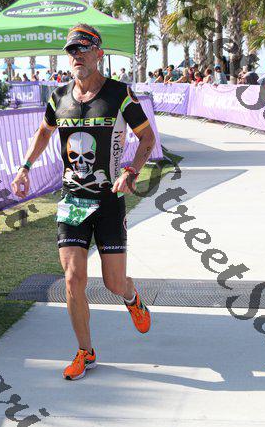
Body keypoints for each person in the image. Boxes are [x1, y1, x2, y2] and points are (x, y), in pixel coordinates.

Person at [11, 23, 156, 381]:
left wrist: (131, 171)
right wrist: (25, 167)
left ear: (98, 54)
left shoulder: (120, 94)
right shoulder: (58, 97)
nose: (76, 56)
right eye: (71, 51)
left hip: (109, 201)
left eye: (83, 49)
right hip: (73, 200)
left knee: (113, 283)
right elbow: (44, 132)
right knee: (73, 277)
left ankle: (131, 296)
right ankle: (85, 351)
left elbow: (147, 138)